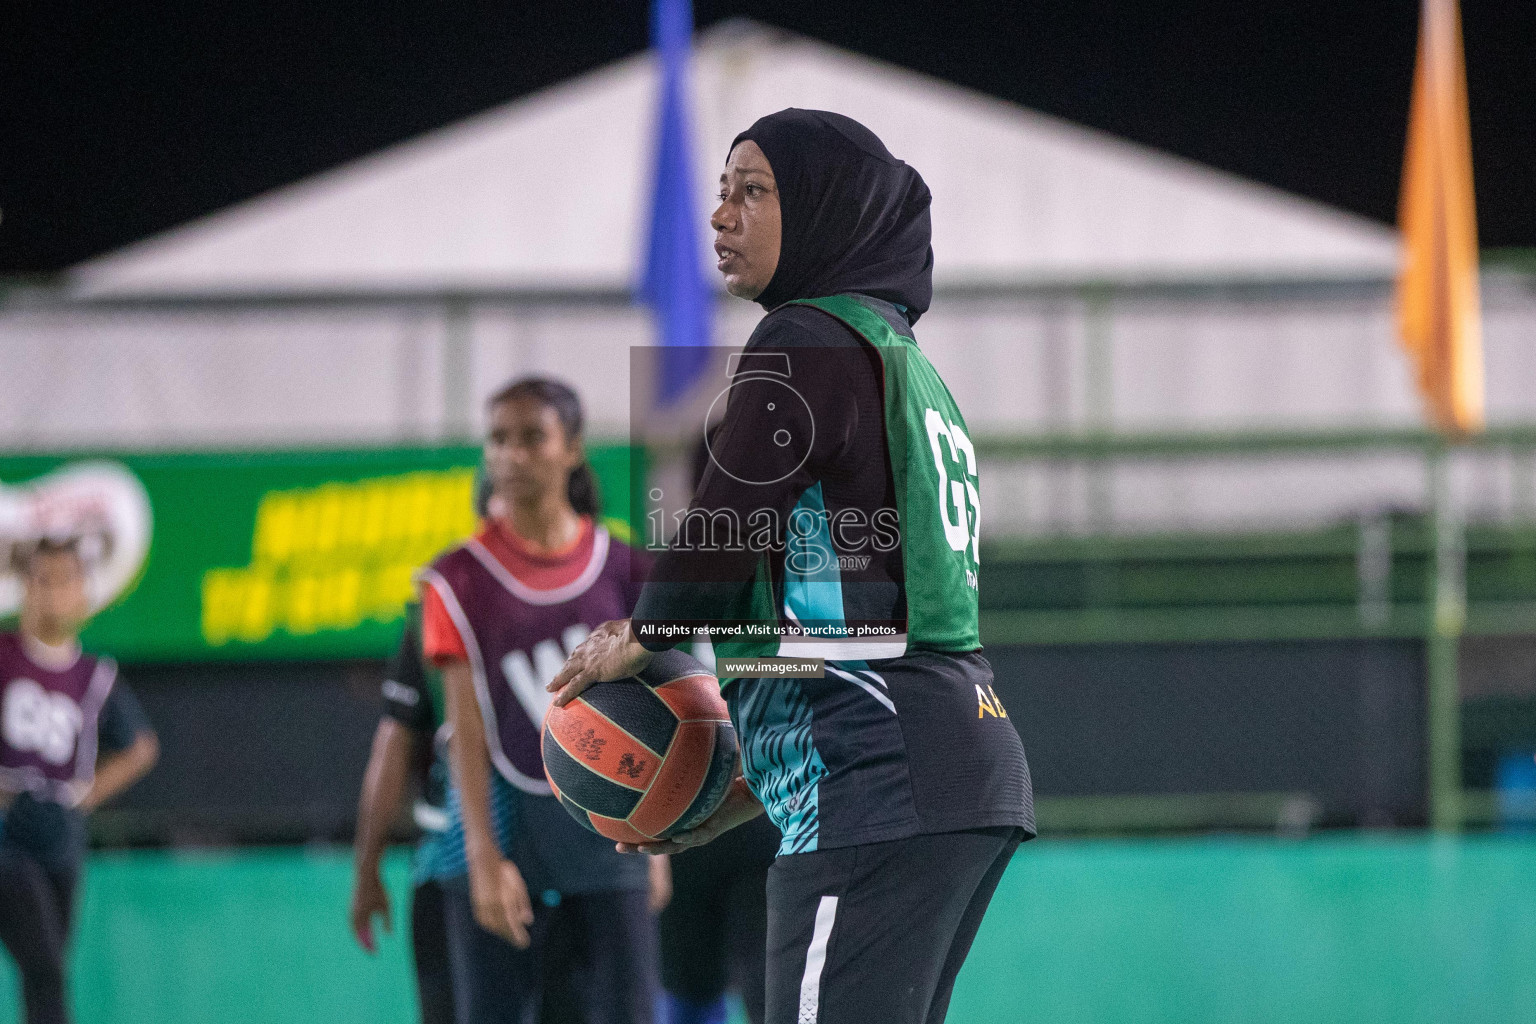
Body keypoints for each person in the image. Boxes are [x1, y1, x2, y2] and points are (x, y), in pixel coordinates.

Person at [550, 109, 1035, 1024]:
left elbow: (725, 528)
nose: (722, 215)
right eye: (722, 192)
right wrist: (746, 784)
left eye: (755, 190)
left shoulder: (805, 338)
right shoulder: (902, 363)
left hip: (885, 779)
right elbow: (850, 632)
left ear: (825, 207)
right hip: (944, 761)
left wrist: (644, 631)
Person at [419, 377, 669, 1024]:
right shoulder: (456, 579)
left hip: (614, 837)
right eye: (498, 439)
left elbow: (664, 710)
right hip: (510, 837)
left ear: (573, 448)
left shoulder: (627, 569)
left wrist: (661, 837)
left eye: (533, 437)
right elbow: (464, 730)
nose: (512, 455)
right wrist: (481, 857)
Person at [0, 538, 159, 1024]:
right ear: (25, 586)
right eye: (41, 580)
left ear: (84, 590)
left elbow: (141, 747)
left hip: (60, 834)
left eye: (64, 580)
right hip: (8, 833)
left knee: (47, 970)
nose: (52, 593)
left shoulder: (95, 677)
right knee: (45, 963)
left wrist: (85, 795)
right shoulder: (5, 657)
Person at [658, 428, 778, 1024]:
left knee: (770, 996)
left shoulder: (802, 579)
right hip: (681, 828)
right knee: (687, 995)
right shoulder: (662, 586)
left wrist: (733, 666)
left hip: (769, 821)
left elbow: (818, 666)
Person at [350, 599, 456, 1024]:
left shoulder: (612, 571)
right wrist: (366, 866)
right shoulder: (442, 601)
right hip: (454, 857)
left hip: (579, 861)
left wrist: (367, 869)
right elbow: (394, 740)